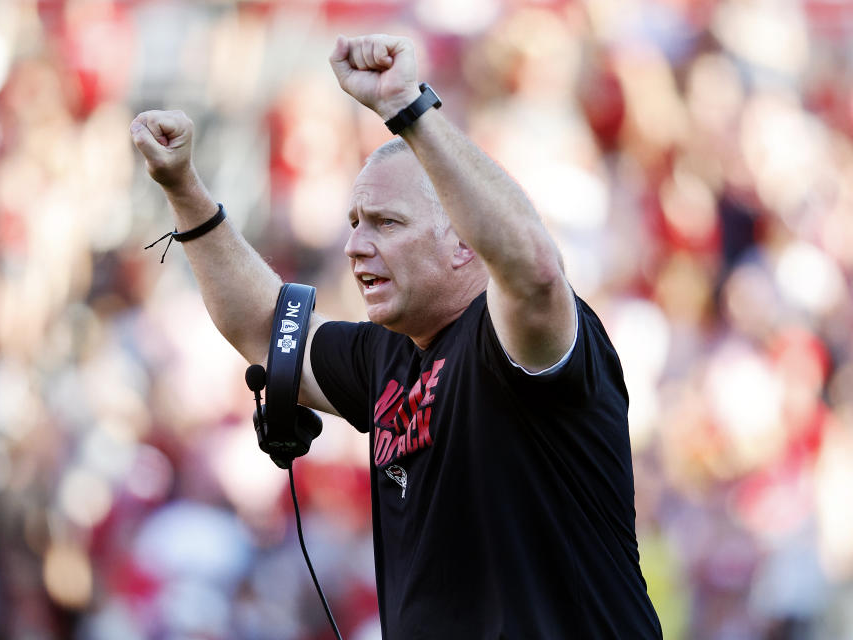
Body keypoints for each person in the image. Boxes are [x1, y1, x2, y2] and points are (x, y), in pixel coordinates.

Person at [131, 33, 662, 640]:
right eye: (355, 223)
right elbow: (262, 326)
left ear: (466, 241)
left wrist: (408, 108)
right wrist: (183, 190)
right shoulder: (386, 357)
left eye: (386, 223)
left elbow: (535, 270)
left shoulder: (514, 340)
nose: (357, 246)